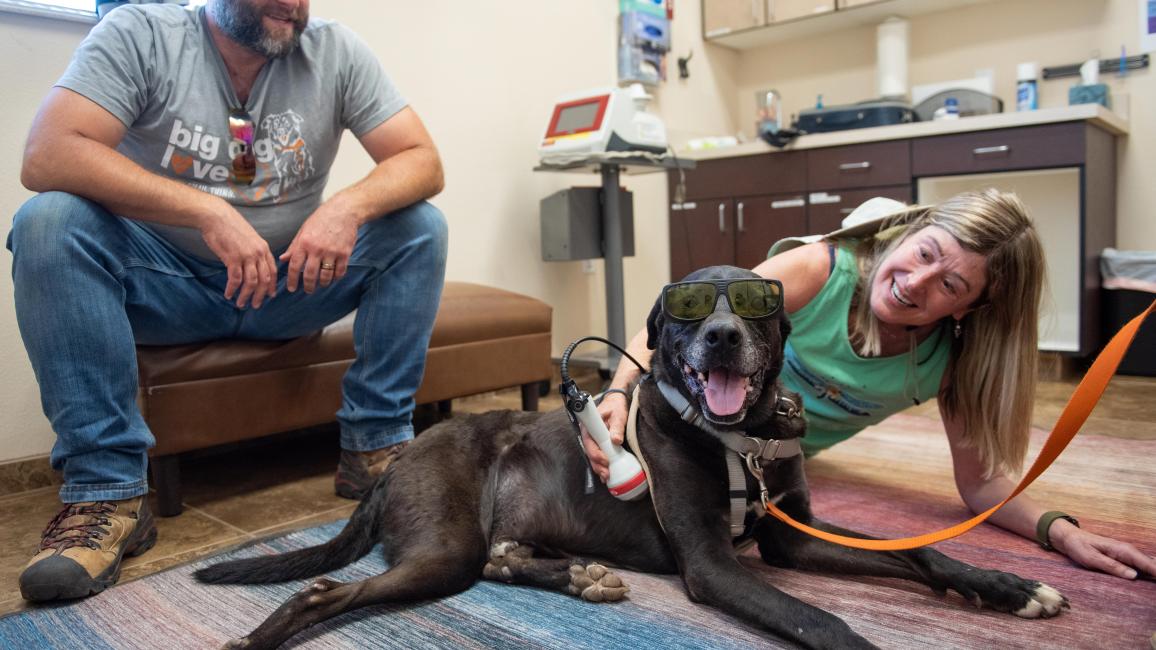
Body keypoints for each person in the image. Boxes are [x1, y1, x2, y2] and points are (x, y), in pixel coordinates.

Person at [7, 0, 448, 602]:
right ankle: (107, 496)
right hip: (167, 283)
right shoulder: (142, 33)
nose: (291, 4)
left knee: (420, 225)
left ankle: (374, 448)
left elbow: (420, 158)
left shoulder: (335, 48)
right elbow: (49, 153)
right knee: (48, 220)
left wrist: (345, 208)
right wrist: (205, 209)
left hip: (290, 285)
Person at [584, 190, 1156, 581]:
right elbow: (686, 319)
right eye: (924, 253)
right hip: (684, 431)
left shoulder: (947, 361)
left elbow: (982, 483)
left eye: (950, 283)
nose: (915, 282)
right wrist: (616, 393)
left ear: (973, 308)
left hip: (772, 457)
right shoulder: (821, 270)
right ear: (909, 231)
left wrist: (1057, 530)